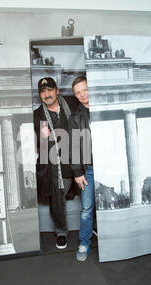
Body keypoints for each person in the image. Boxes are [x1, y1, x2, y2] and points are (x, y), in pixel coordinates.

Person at [33, 77, 79, 250]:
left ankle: (99, 225)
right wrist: (43, 137)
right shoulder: (38, 115)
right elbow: (42, 144)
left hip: (79, 158)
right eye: (43, 92)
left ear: (57, 91)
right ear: (40, 95)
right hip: (58, 164)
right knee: (58, 198)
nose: (47, 94)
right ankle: (61, 232)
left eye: (50, 90)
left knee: (90, 192)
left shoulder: (71, 104)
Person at [68, 76, 95, 261]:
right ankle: (84, 243)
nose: (82, 95)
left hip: (111, 166)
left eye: (84, 90)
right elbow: (73, 147)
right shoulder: (75, 118)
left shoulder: (105, 109)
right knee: (86, 208)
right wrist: (77, 172)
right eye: (78, 93)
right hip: (89, 168)